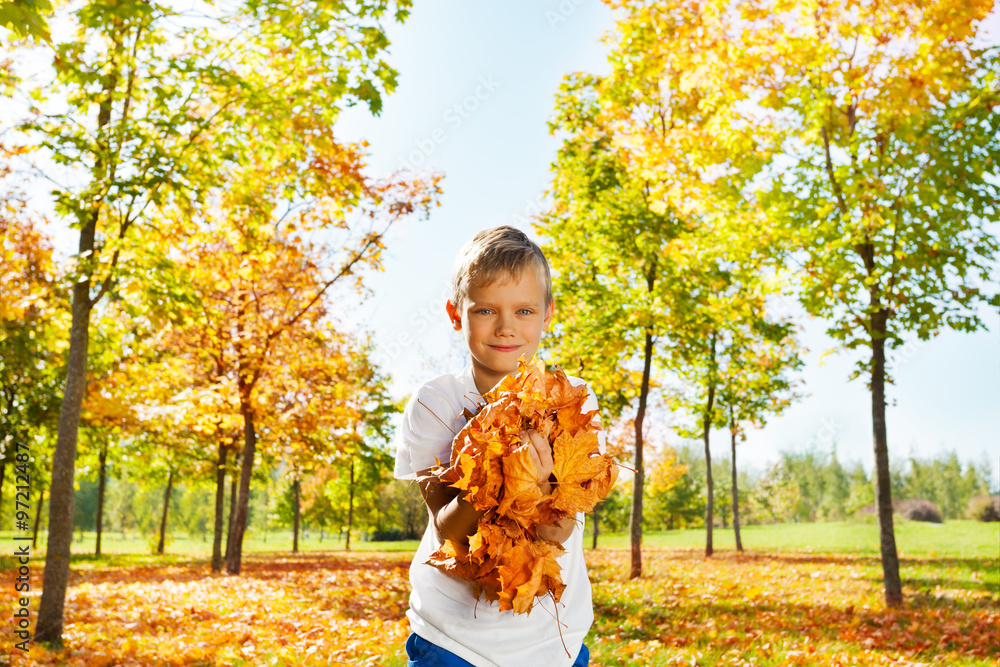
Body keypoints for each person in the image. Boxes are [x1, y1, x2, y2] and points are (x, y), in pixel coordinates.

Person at [393, 225, 603, 667]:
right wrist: (493, 462)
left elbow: (557, 532)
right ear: (456, 314)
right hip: (452, 641)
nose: (507, 327)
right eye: (486, 309)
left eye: (524, 310)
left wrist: (541, 483)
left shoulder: (572, 399)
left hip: (554, 643)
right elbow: (451, 528)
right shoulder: (436, 402)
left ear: (547, 315)